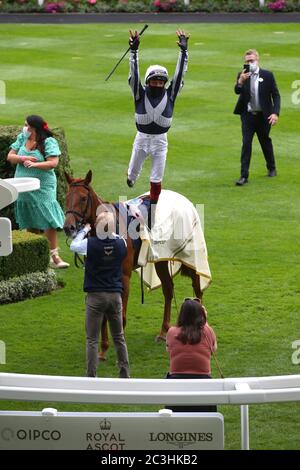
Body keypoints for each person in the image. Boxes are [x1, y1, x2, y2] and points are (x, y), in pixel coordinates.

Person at [126, 28, 189, 224]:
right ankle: (131, 177)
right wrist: (134, 51)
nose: (158, 84)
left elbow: (179, 75)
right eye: (153, 80)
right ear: (147, 81)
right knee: (132, 174)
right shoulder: (139, 92)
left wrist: (184, 52)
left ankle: (153, 211)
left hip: (161, 141)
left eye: (161, 81)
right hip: (141, 138)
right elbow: (134, 74)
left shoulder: (171, 94)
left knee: (156, 177)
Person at [70, 211, 130, 378]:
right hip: (115, 297)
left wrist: (84, 230)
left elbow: (74, 246)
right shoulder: (121, 243)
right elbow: (117, 237)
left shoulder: (90, 244)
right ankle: (125, 373)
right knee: (119, 337)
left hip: (95, 297)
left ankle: (91, 376)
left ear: (97, 226)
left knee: (92, 340)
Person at [7, 115, 69, 268]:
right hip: (23, 186)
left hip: (43, 186)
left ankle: (55, 256)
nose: (24, 127)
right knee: (30, 219)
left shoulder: (48, 141)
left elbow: (53, 163)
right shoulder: (22, 137)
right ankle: (37, 256)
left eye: (27, 125)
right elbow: (10, 157)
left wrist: (34, 165)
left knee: (49, 219)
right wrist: (23, 158)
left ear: (34, 128)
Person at [234, 49, 281, 186]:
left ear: (258, 60)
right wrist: (241, 81)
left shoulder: (267, 75)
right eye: (247, 61)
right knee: (246, 144)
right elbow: (237, 91)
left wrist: (275, 113)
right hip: (248, 116)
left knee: (265, 141)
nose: (250, 63)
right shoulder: (242, 75)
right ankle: (244, 176)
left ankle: (271, 168)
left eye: (252, 60)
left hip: (263, 116)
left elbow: (276, 95)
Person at [165, 298, 217, 412]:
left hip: (176, 387)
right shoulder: (208, 331)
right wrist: (205, 319)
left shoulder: (171, 332)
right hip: (204, 386)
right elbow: (214, 350)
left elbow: (168, 350)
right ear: (201, 315)